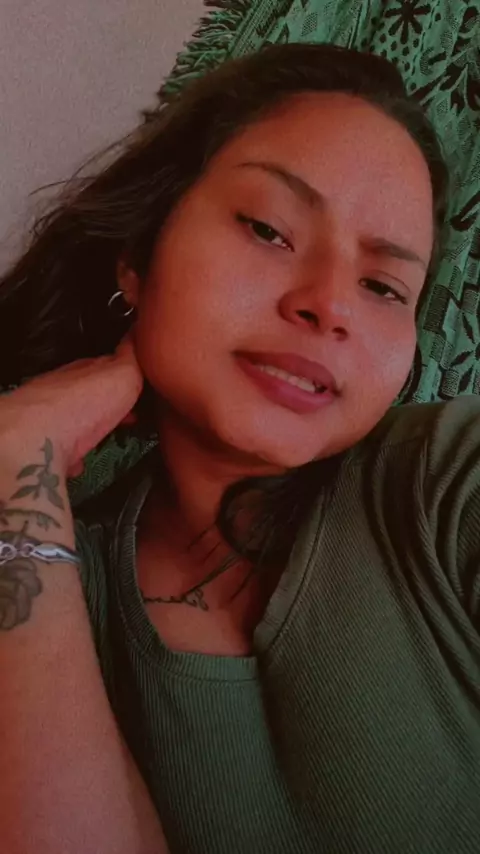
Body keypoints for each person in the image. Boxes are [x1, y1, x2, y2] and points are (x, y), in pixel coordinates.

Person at [0, 41, 479, 854]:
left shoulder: (447, 482)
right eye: (269, 229)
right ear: (139, 256)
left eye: (382, 286)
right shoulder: (58, 596)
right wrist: (17, 457)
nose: (330, 306)